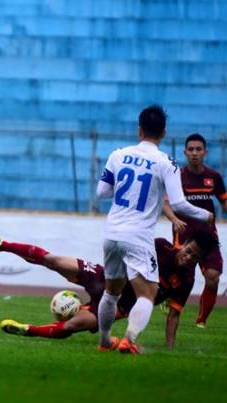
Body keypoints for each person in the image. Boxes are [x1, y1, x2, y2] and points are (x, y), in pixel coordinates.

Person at [96, 105, 213, 353]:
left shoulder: (117, 155)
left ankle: (105, 341)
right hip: (138, 235)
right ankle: (129, 339)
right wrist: (205, 214)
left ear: (139, 130)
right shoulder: (166, 163)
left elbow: (102, 193)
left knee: (112, 292)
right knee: (147, 294)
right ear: (163, 133)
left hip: (112, 232)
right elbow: (179, 203)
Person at [0, 228, 217, 348]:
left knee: (71, 326)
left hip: (117, 307)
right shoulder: (161, 246)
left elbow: (173, 315)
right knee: (53, 260)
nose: (188, 258)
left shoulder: (186, 282)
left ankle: (26, 330)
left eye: (194, 257)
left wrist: (169, 347)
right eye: (188, 251)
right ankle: (3, 245)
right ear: (183, 243)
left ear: (199, 260)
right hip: (105, 277)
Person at [163, 133, 226, 328]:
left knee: (213, 277)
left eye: (198, 149)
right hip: (183, 236)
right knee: (177, 278)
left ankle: (201, 319)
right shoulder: (177, 176)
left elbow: (224, 201)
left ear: (205, 152)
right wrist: (173, 219)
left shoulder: (213, 177)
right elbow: (165, 204)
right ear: (185, 152)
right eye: (191, 149)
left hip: (207, 237)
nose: (195, 153)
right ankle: (166, 297)